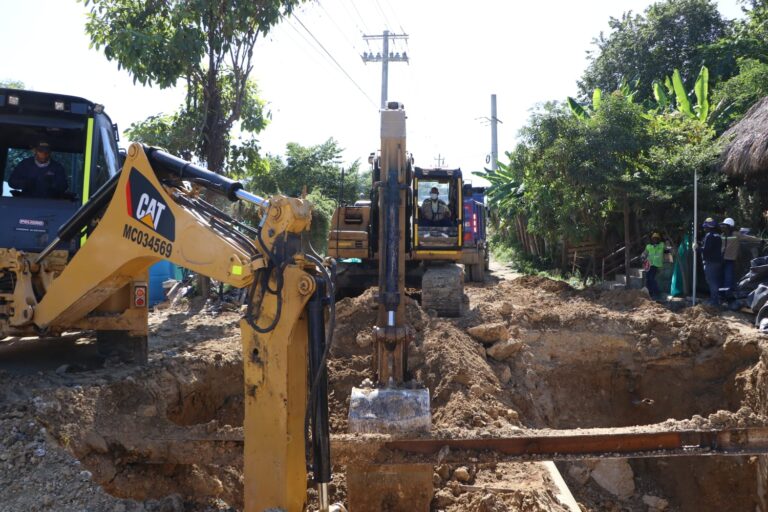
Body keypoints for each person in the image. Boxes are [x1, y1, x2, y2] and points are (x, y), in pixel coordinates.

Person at [720, 217, 761, 291]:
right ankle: (727, 295)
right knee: (728, 278)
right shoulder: (734, 234)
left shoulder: (723, 235)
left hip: (724, 259)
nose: (724, 227)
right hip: (729, 260)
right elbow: (748, 238)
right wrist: (760, 239)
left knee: (726, 278)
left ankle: (726, 295)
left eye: (725, 226)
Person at [699, 218, 723, 306]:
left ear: (709, 227)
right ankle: (715, 299)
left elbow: (707, 250)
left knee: (711, 281)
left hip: (710, 262)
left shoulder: (709, 236)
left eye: (705, 227)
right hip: (717, 262)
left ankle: (714, 301)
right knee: (715, 281)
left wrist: (697, 248)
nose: (704, 229)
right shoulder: (718, 235)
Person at [641, 232, 665, 299]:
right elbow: (645, 253)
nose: (655, 240)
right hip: (649, 264)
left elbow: (666, 249)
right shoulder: (649, 246)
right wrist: (643, 257)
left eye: (656, 239)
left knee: (651, 278)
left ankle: (657, 293)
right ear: (652, 239)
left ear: (658, 239)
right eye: (653, 239)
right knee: (648, 279)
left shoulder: (661, 245)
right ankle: (650, 293)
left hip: (656, 264)